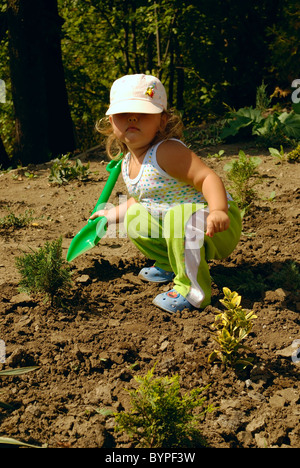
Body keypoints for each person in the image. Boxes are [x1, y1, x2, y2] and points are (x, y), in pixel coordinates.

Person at [91, 74, 241, 313]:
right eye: (124, 113)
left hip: (215, 223)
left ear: (162, 120)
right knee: (135, 218)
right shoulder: (127, 161)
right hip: (180, 225)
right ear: (111, 121)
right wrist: (109, 216)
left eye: (143, 113)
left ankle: (192, 292)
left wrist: (218, 210)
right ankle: (171, 263)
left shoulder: (167, 151)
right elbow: (142, 200)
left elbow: (208, 178)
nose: (132, 118)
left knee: (178, 218)